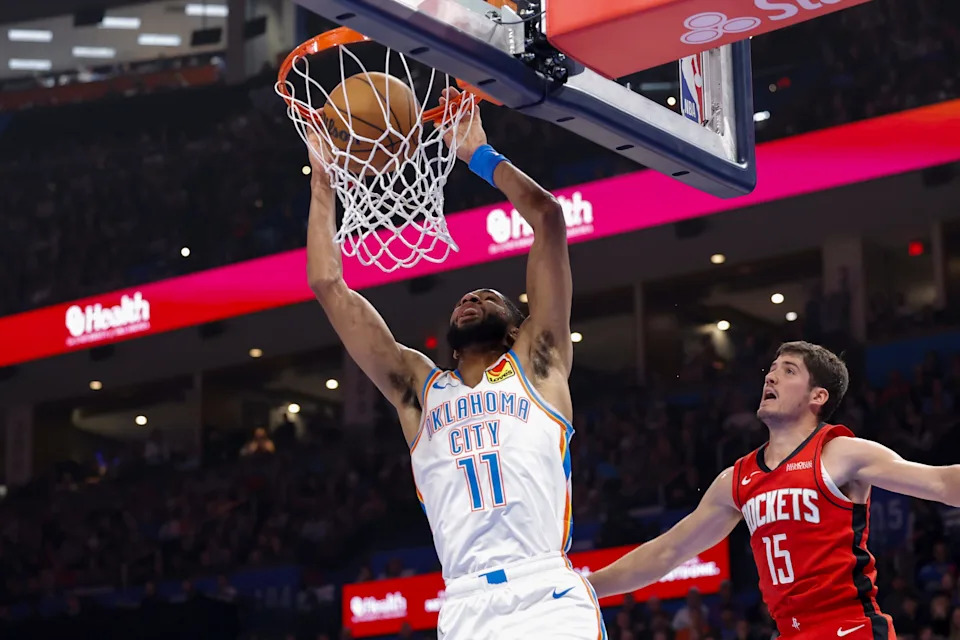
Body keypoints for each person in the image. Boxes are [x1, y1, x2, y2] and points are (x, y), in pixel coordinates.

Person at [304, 88, 605, 640]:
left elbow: (548, 218)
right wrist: (325, 179)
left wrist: (478, 156)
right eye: (466, 296)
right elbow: (328, 284)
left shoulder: (539, 362)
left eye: (488, 296)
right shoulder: (418, 388)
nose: (471, 297)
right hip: (463, 604)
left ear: (517, 326)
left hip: (544, 592)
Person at [588, 340, 960, 639]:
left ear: (818, 397)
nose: (771, 378)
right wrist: (588, 588)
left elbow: (943, 483)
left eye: (788, 371)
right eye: (771, 370)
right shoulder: (735, 479)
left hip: (851, 628)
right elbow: (667, 551)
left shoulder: (841, 452)